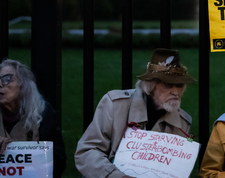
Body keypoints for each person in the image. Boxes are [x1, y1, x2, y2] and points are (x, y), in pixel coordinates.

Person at [75, 48, 194, 178]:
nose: (175, 92)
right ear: (151, 85)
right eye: (168, 85)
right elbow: (87, 152)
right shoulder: (115, 105)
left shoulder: (182, 122)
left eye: (180, 85)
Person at [0, 58, 66, 178]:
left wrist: (15, 149)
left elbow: (58, 163)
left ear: (23, 86)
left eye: (7, 79)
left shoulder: (43, 115)